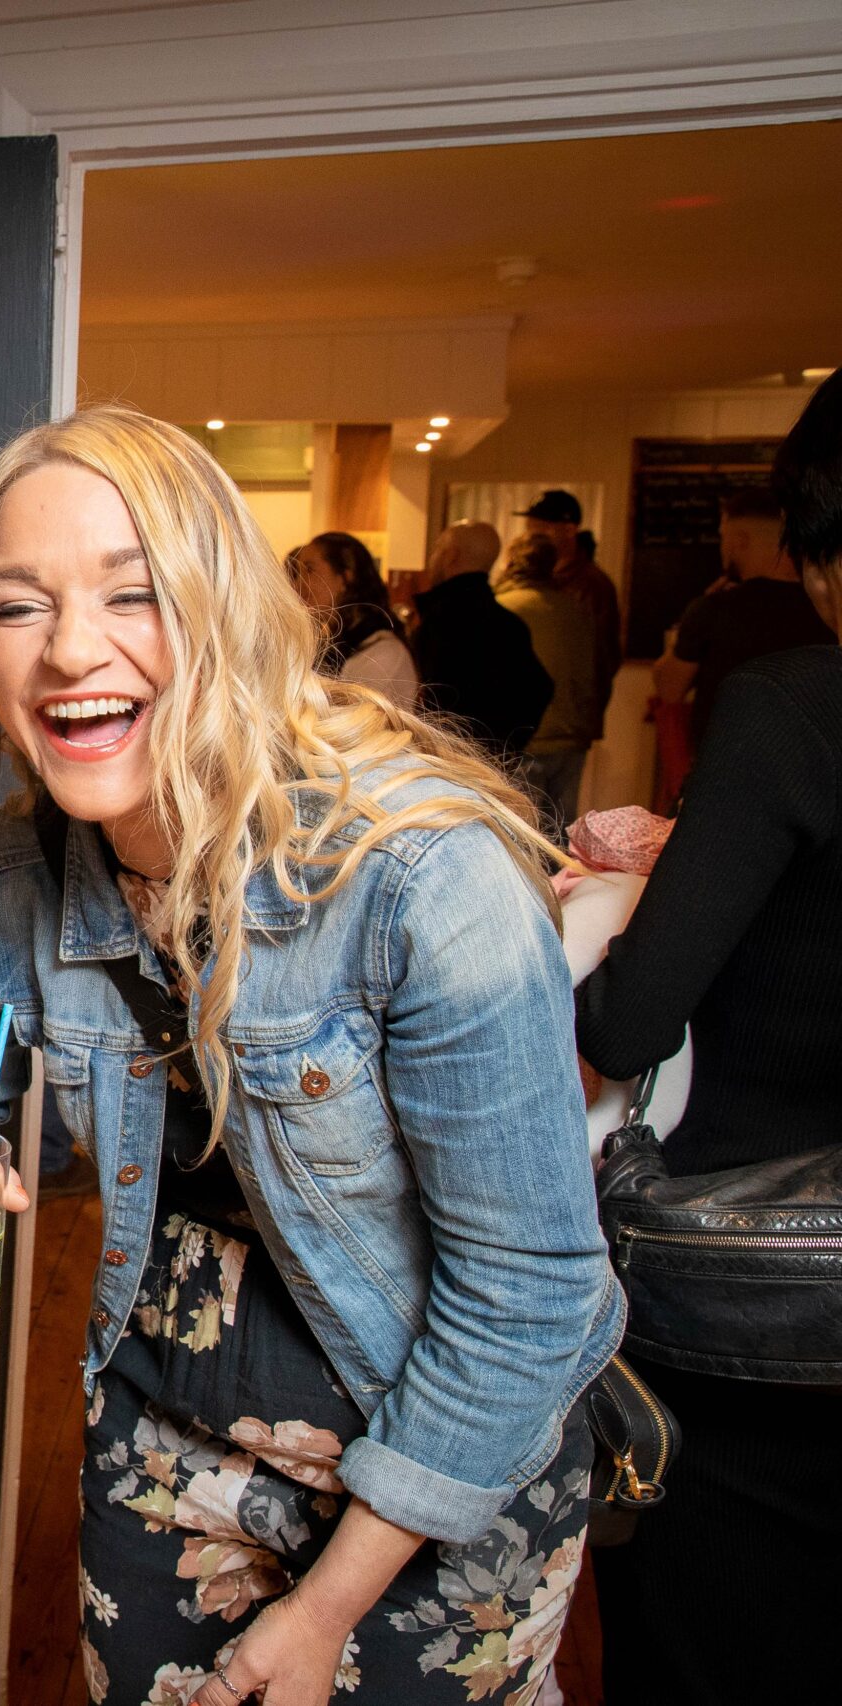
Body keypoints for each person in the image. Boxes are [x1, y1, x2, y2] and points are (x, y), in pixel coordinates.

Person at [0, 407, 621, 1706]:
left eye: (133, 592)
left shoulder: (419, 882)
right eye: (17, 606)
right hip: (166, 1421)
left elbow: (529, 1299)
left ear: (225, 609)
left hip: (433, 1459)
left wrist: (327, 1607)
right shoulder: (12, 879)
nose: (72, 647)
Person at [572, 369, 842, 1706]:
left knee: (713, 1647)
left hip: (769, 1297)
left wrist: (594, 919)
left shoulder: (795, 703)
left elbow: (631, 1019)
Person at [649, 487, 834, 744]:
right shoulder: (829, 610)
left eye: (723, 536)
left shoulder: (712, 609)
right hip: (807, 769)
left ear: (740, 540)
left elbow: (669, 689)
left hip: (727, 769)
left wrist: (685, 628)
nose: (722, 547)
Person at [408, 519, 552, 768]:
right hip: (489, 764)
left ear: (450, 556)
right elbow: (539, 688)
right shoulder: (508, 624)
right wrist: (503, 751)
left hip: (445, 763)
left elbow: (431, 698)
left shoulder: (441, 621)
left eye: (437, 548)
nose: (432, 558)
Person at [494, 533, 607, 838]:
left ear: (510, 562)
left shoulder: (504, 608)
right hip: (571, 735)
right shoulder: (574, 609)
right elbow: (590, 674)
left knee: (521, 838)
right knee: (560, 835)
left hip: (524, 739)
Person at [518, 490, 622, 722]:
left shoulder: (591, 584)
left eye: (542, 528)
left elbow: (604, 655)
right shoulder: (543, 579)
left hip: (562, 719)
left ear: (569, 530)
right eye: (530, 527)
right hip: (540, 717)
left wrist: (580, 707)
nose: (532, 536)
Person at [284, 531, 418, 708]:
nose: (297, 585)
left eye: (309, 570)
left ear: (345, 578)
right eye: (298, 573)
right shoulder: (334, 645)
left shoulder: (382, 653)